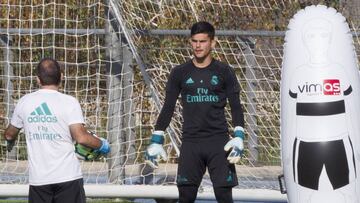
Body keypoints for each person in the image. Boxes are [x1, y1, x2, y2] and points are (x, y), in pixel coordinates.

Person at [145, 21, 245, 203]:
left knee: (224, 197)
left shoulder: (225, 71)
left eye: (203, 41)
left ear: (212, 43)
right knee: (185, 197)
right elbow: (168, 107)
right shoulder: (179, 72)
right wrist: (156, 138)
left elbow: (236, 106)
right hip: (191, 143)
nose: (198, 46)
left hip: (219, 143)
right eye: (194, 41)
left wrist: (239, 135)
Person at [3, 58, 110, 203]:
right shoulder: (69, 102)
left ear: (38, 80)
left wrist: (10, 139)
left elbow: (9, 134)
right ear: (61, 77)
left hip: (39, 181)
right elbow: (82, 137)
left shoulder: (25, 102)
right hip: (68, 178)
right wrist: (102, 145)